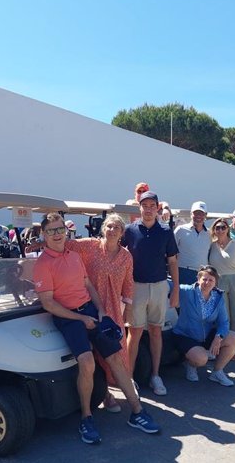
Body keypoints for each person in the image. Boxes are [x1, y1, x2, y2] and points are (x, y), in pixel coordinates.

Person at [33, 212, 160, 445]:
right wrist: (80, 319)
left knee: (115, 357)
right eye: (51, 230)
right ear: (44, 233)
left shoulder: (73, 256)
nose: (57, 234)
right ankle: (86, 418)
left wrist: (100, 311)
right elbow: (49, 303)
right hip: (68, 318)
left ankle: (137, 410)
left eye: (60, 229)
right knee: (87, 361)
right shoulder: (43, 264)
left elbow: (87, 284)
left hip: (90, 311)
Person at [65, 213, 135, 412]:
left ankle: (122, 388)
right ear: (103, 228)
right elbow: (65, 244)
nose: (112, 230)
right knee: (93, 352)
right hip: (88, 305)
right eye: (109, 226)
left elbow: (129, 284)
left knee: (115, 349)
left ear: (122, 232)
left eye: (116, 227)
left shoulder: (126, 256)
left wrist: (127, 310)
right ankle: (104, 394)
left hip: (112, 309)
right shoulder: (90, 246)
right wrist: (38, 244)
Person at [122, 190, 179, 396]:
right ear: (140, 208)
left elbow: (172, 262)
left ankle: (155, 375)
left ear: (157, 208)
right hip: (135, 288)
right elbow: (119, 259)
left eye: (152, 206)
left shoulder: (165, 232)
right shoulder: (129, 231)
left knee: (156, 330)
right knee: (134, 332)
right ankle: (128, 378)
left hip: (159, 286)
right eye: (144, 206)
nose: (148, 210)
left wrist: (176, 292)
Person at [172, 266, 235, 386]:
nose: (207, 283)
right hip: (186, 336)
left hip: (206, 336)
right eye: (204, 279)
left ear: (215, 282)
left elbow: (224, 322)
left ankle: (217, 372)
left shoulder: (218, 297)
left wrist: (218, 337)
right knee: (201, 359)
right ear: (198, 279)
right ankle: (190, 364)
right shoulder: (187, 291)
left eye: (211, 280)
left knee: (234, 338)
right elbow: (168, 285)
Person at [208, 218, 235, 352]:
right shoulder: (212, 246)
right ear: (214, 230)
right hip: (218, 281)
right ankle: (223, 348)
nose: (220, 230)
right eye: (217, 227)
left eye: (223, 227)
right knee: (222, 316)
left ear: (227, 229)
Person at [174, 201, 211, 285]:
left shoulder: (209, 233)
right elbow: (172, 253)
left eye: (201, 213)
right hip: (183, 272)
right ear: (191, 214)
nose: (198, 216)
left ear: (206, 215)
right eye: (196, 213)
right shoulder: (180, 230)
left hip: (203, 275)